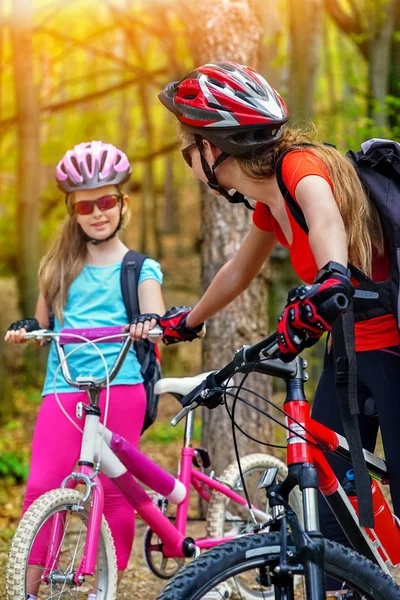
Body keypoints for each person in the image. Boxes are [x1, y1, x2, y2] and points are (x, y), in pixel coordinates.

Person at [157, 61, 400, 577]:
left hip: (392, 346)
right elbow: (237, 271)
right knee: (334, 503)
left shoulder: (300, 166)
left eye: (188, 147)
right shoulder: (267, 202)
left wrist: (332, 275)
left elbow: (324, 215)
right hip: (348, 356)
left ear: (215, 147)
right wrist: (189, 321)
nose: (188, 159)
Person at [5, 141, 165, 599]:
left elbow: (154, 317)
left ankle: (102, 589)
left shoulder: (139, 268)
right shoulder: (56, 267)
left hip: (122, 387)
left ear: (123, 203)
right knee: (41, 488)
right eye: (85, 205)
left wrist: (149, 324)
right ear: (72, 211)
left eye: (107, 201)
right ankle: (28, 591)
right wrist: (26, 328)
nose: (98, 212)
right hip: (64, 387)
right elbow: (41, 323)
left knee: (115, 493)